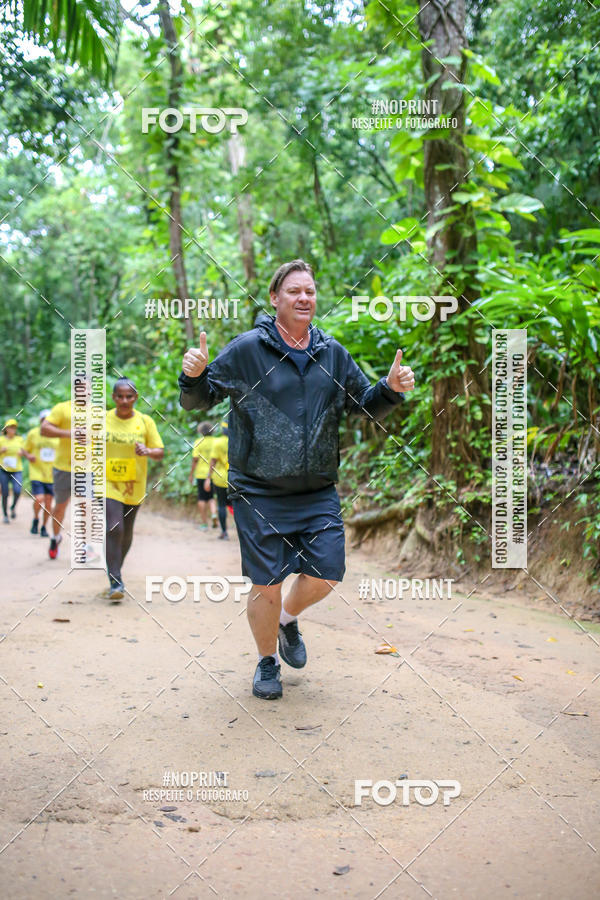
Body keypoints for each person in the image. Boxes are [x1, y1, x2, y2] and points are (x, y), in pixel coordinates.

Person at [178, 259, 415, 700]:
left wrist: (390, 389)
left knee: (327, 573)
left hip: (317, 490)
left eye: (310, 291)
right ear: (274, 298)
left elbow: (362, 406)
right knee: (265, 582)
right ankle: (266, 663)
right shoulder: (248, 349)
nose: (304, 298)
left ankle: (288, 619)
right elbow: (199, 401)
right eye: (294, 291)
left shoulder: (332, 352)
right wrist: (192, 376)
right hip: (258, 489)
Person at [104, 378, 164, 601]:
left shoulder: (145, 421)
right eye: (120, 396)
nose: (124, 400)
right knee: (115, 527)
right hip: (107, 482)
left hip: (134, 483)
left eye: (129, 396)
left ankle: (114, 567)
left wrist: (147, 450)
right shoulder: (102, 420)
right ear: (113, 398)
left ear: (136, 398)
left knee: (126, 531)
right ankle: (116, 580)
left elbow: (159, 451)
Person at [24, 410, 59, 537]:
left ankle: (44, 526)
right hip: (36, 472)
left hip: (52, 474)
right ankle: (36, 518)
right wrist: (29, 456)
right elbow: (24, 450)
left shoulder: (57, 435)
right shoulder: (33, 433)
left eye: (48, 420)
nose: (46, 422)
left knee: (49, 503)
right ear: (40, 421)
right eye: (44, 419)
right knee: (39, 499)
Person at [0, 419, 34, 523]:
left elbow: (25, 451)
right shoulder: (1, 440)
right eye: (10, 427)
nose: (12, 429)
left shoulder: (19, 439)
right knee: (5, 492)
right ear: (6, 429)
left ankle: (13, 507)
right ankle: (5, 514)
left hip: (16, 470)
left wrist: (22, 453)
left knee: (17, 490)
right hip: (3, 470)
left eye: (14, 427)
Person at [203, 420, 230, 540]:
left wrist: (208, 478)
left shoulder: (218, 443)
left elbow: (213, 462)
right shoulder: (237, 442)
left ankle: (224, 532)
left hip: (220, 478)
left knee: (222, 505)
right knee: (237, 506)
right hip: (235, 478)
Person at [189, 422, 217, 530]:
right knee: (211, 497)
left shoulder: (198, 442)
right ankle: (214, 514)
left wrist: (191, 474)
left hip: (201, 474)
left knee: (202, 497)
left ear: (201, 431)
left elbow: (195, 460)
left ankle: (204, 523)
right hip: (214, 474)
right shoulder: (216, 442)